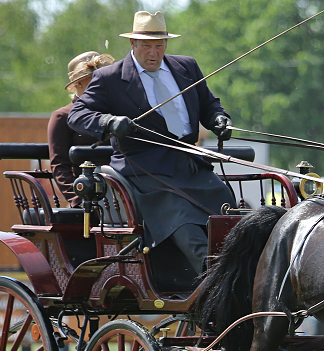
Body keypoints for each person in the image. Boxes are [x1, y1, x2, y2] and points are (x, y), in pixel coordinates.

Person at [68, 10, 234, 277]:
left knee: (230, 216)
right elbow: (78, 115)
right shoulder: (110, 78)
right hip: (145, 175)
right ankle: (216, 285)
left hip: (191, 168)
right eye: (146, 46)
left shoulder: (187, 67)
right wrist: (109, 122)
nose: (153, 53)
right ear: (133, 44)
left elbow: (209, 104)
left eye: (159, 45)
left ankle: (241, 277)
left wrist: (218, 119)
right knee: (186, 224)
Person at [48, 51, 114, 206]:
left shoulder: (116, 114)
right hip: (88, 194)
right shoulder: (62, 116)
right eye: (95, 80)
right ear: (78, 83)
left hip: (123, 188)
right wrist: (79, 200)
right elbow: (60, 166)